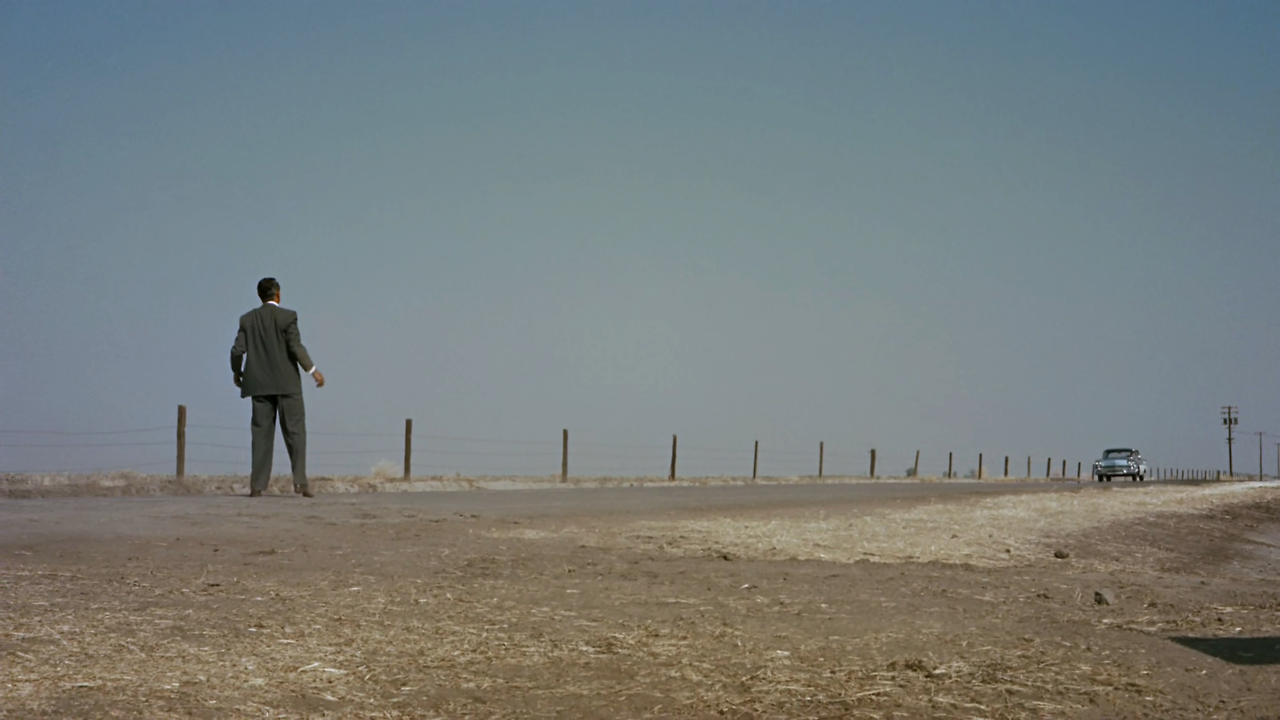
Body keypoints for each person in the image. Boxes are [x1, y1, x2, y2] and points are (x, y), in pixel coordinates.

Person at [230, 278, 325, 497]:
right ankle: (300, 482)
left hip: (259, 386)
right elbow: (295, 347)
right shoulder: (288, 317)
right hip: (287, 384)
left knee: (261, 435)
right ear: (278, 294)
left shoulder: (247, 320)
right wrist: (312, 371)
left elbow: (237, 351)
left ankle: (257, 486)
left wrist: (237, 372)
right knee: (295, 432)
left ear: (259, 296)